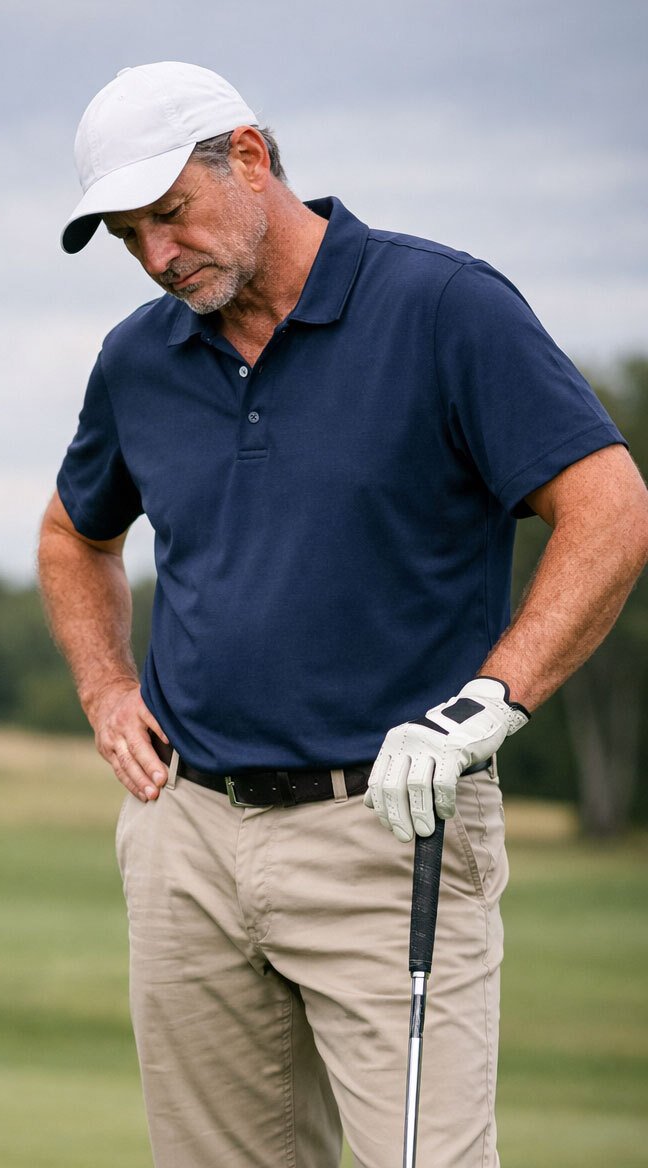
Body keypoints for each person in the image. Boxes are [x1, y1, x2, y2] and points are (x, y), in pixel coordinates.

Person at [37, 61, 648, 1168]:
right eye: (130, 236)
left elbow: (608, 508)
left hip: (392, 832)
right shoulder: (139, 357)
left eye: (170, 214)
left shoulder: (442, 307)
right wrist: (105, 687)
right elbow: (74, 535)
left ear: (252, 158)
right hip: (189, 837)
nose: (158, 258)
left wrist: (489, 702)